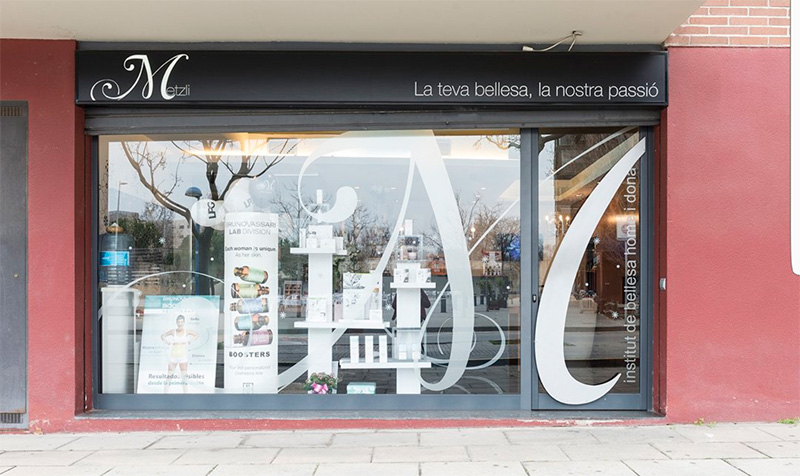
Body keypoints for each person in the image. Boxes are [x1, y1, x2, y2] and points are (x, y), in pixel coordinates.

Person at [161, 315, 199, 393]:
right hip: (173, 357)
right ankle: (165, 393)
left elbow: (196, 335)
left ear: (184, 322)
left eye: (182, 322)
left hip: (183, 357)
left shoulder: (186, 331)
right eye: (179, 322)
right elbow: (162, 336)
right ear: (176, 322)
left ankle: (185, 394)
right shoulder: (173, 331)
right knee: (169, 376)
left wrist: (189, 341)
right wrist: (167, 342)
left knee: (184, 377)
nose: (180, 323)